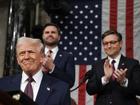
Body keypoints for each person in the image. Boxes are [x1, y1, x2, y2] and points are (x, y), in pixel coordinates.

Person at [0, 37, 71, 105]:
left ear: (42, 57)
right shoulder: (2, 85)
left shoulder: (61, 88)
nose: (26, 57)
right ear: (18, 59)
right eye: (22, 53)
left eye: (31, 52)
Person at [86, 30, 140, 105]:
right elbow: (90, 90)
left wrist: (123, 81)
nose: (109, 46)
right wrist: (105, 78)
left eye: (112, 42)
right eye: (105, 43)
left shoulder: (132, 64)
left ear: (120, 44)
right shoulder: (97, 65)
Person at [42, 23, 75, 88]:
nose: (50, 34)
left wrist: (52, 68)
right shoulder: (36, 55)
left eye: (53, 32)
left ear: (59, 37)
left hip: (59, 96)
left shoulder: (68, 57)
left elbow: (70, 82)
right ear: (43, 36)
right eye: (47, 32)